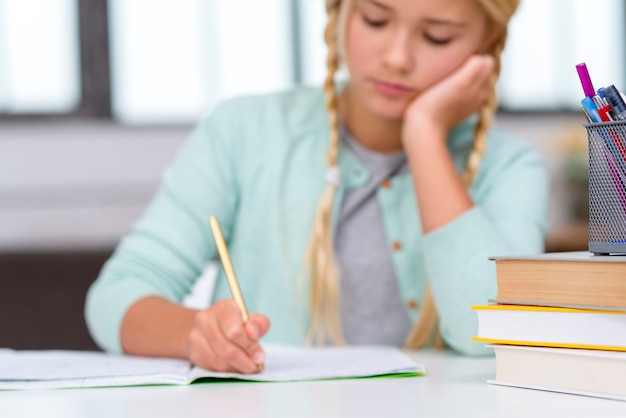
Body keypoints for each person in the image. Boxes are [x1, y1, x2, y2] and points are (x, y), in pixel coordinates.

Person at [85, 0, 548, 374]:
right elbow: (117, 296)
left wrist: (424, 136)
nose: (397, 58)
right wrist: (195, 334)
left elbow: (488, 333)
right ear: (338, 10)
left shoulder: (510, 168)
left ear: (489, 39)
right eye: (374, 18)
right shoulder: (243, 131)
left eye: (437, 35)